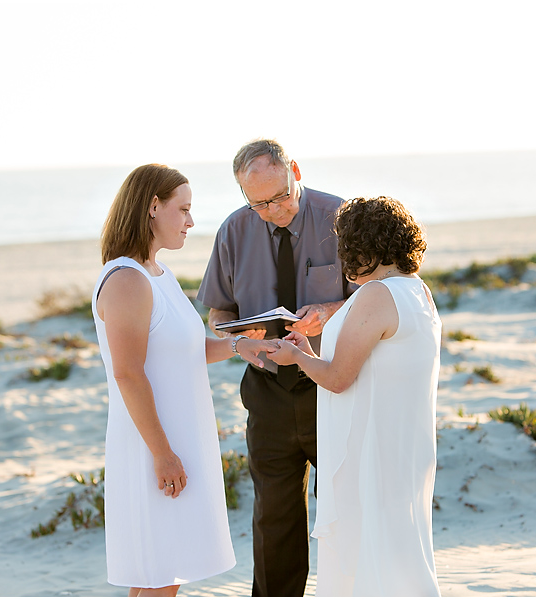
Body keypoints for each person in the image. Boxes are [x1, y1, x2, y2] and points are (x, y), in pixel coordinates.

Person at [92, 164, 276, 597]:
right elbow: (128, 373)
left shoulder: (158, 274)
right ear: (153, 207)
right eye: (184, 210)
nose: (192, 222)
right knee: (160, 578)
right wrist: (162, 454)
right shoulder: (126, 281)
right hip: (153, 444)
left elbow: (183, 351)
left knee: (161, 577)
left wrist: (237, 347)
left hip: (177, 439)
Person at [197, 139, 357, 596]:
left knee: (343, 514)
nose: (273, 210)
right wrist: (238, 344)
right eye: (259, 203)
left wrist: (326, 311)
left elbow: (371, 297)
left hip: (332, 386)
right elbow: (220, 315)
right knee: (273, 521)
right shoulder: (233, 231)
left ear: (296, 172)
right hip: (267, 393)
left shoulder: (341, 218)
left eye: (280, 196)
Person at [266, 196, 442, 596]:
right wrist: (310, 355)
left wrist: (295, 357)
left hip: (371, 453)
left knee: (369, 554)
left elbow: (339, 378)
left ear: (364, 245)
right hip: (404, 449)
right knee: (398, 552)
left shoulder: (377, 295)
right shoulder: (419, 292)